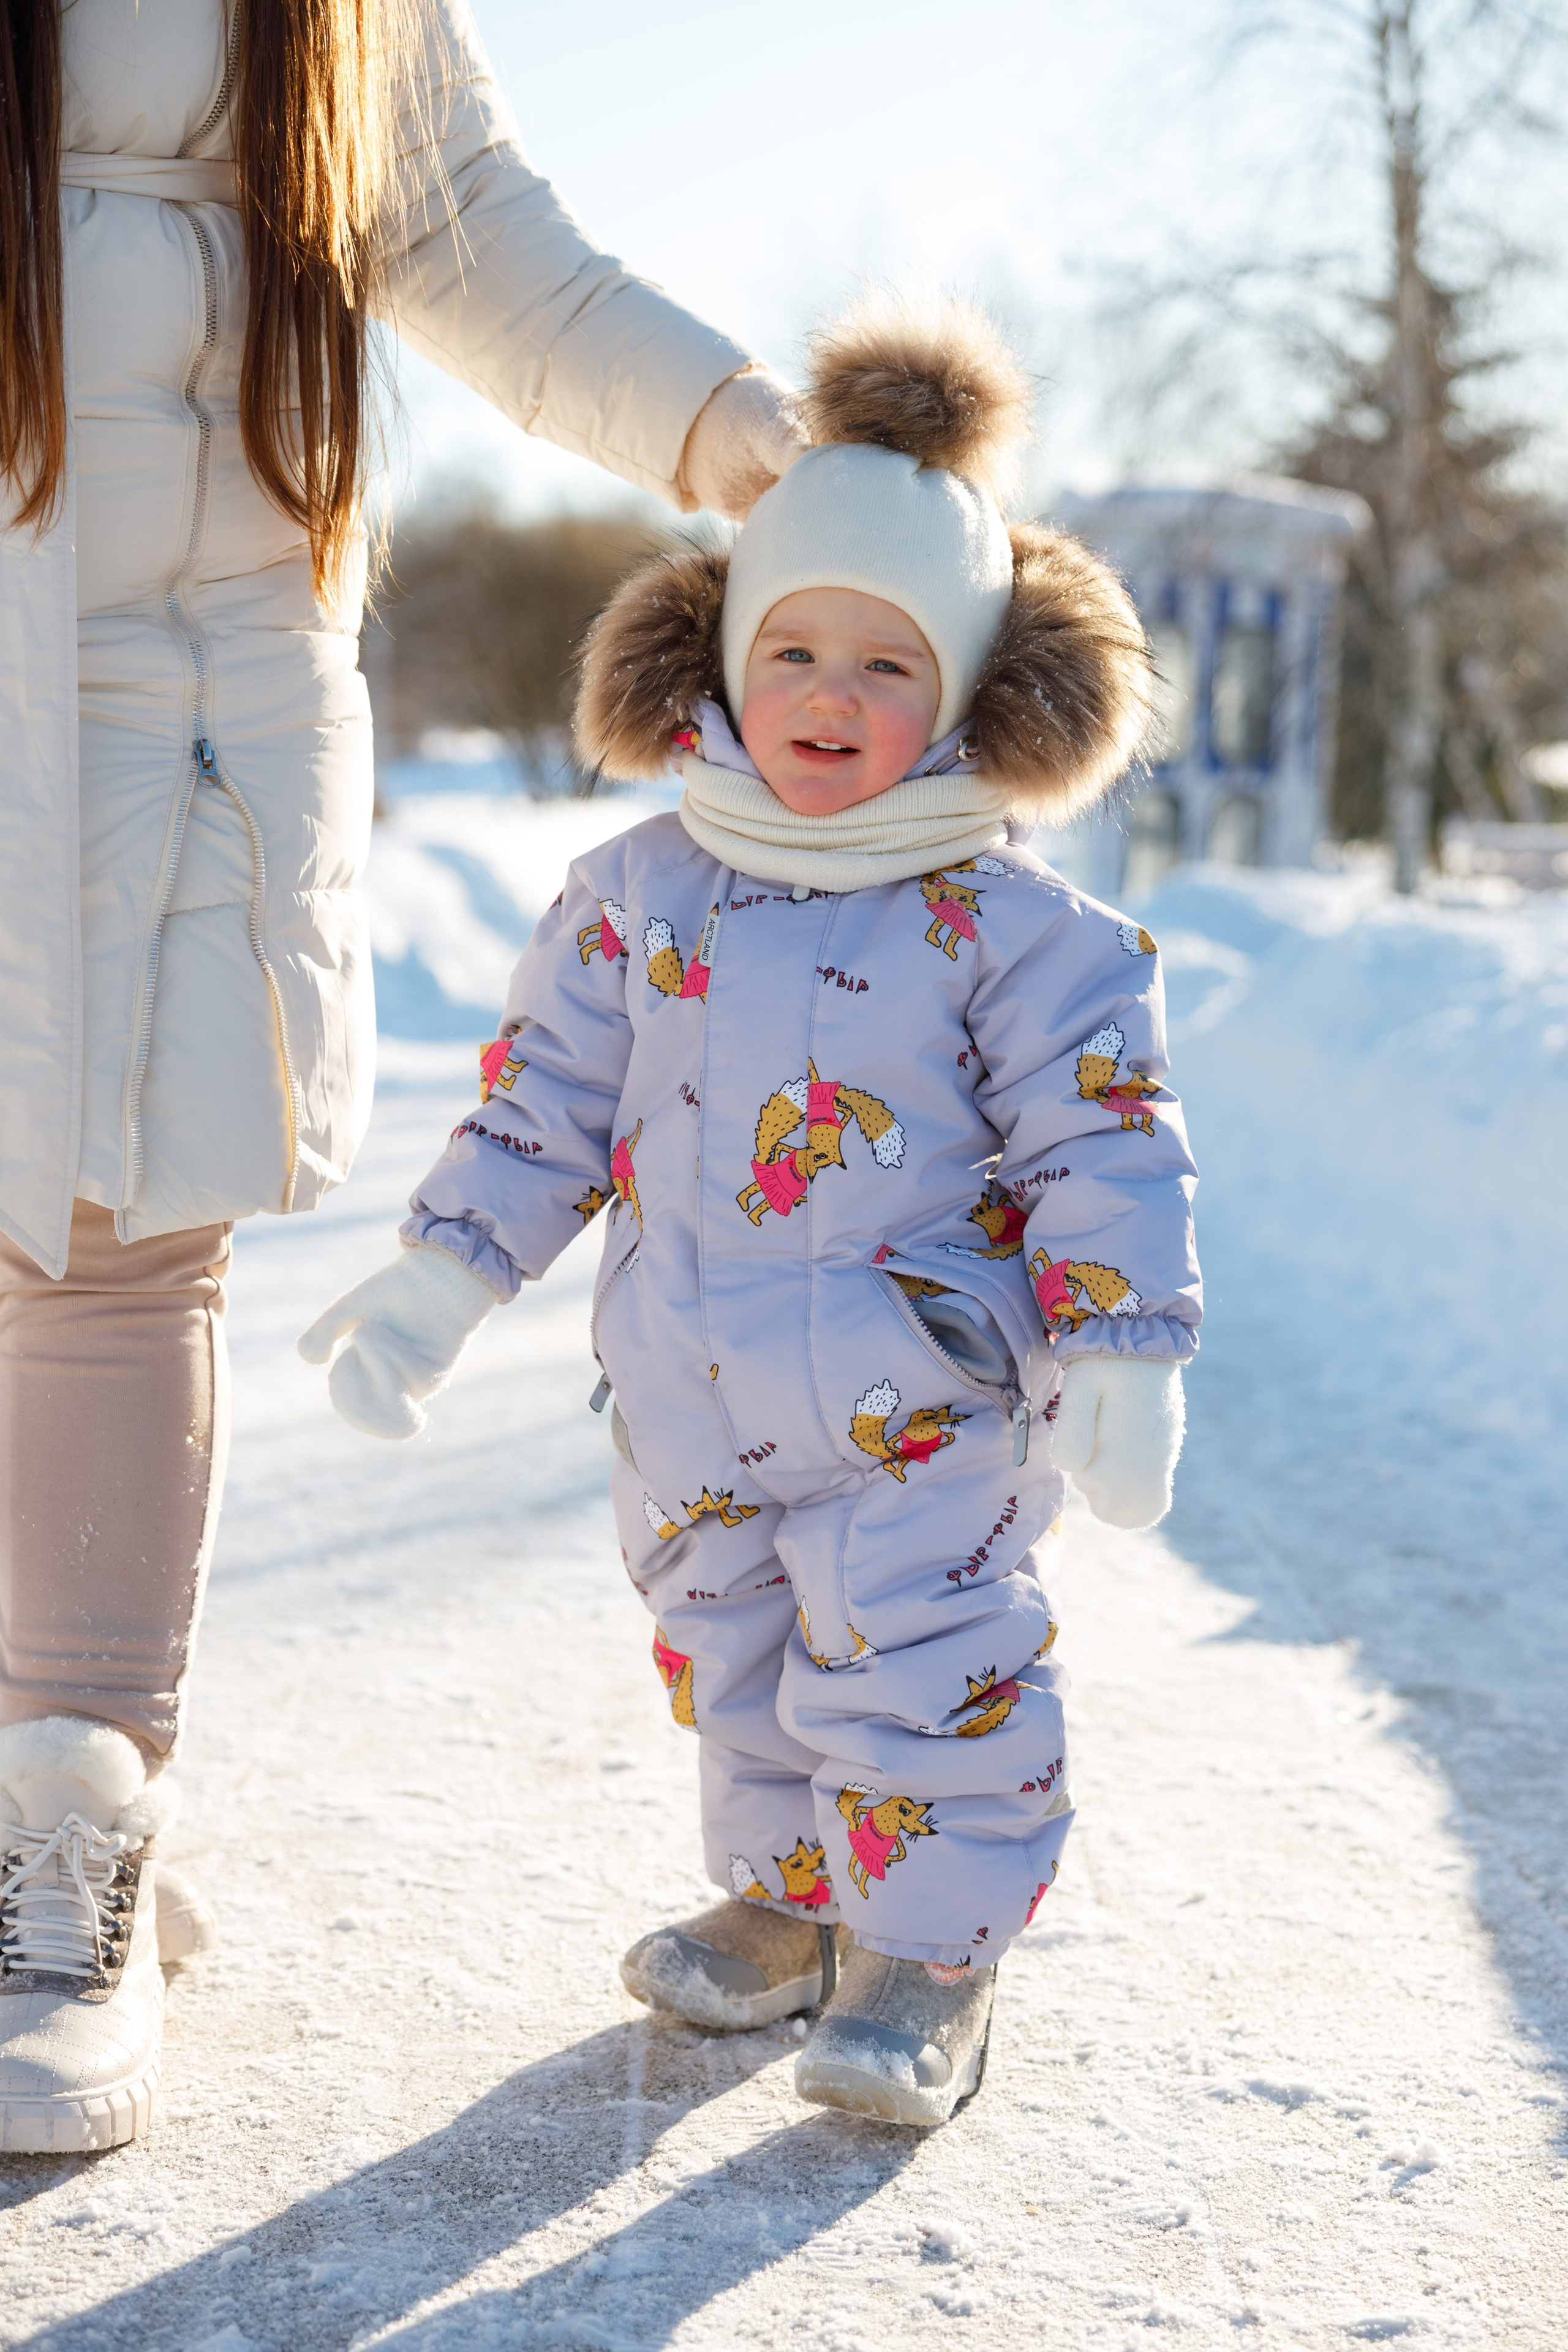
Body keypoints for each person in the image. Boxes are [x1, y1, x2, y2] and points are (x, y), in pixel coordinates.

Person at [0, 0, 805, 2154]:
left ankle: (68, 1823)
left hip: (196, 692)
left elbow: (487, 243)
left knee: (104, 1251)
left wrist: (751, 438)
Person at [303, 293, 1202, 2128]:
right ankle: (796, 1909)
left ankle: (931, 1952)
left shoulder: (1016, 928)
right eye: (795, 650)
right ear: (719, 660)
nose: (830, 699)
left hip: (922, 1399)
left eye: (889, 668)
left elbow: (1099, 1138)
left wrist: (1124, 1344)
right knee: (734, 1643)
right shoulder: (639, 891)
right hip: (689, 1389)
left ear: (963, 693)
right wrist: (433, 1282)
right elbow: (543, 1103)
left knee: (919, 1656)